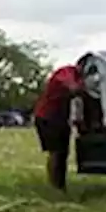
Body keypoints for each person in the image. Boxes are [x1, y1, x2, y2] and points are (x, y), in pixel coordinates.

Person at [32, 58, 89, 190]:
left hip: (61, 118)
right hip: (47, 117)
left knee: (64, 152)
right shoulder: (66, 71)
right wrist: (83, 88)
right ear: (81, 66)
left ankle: (60, 184)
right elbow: (72, 87)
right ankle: (54, 185)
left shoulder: (77, 77)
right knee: (55, 152)